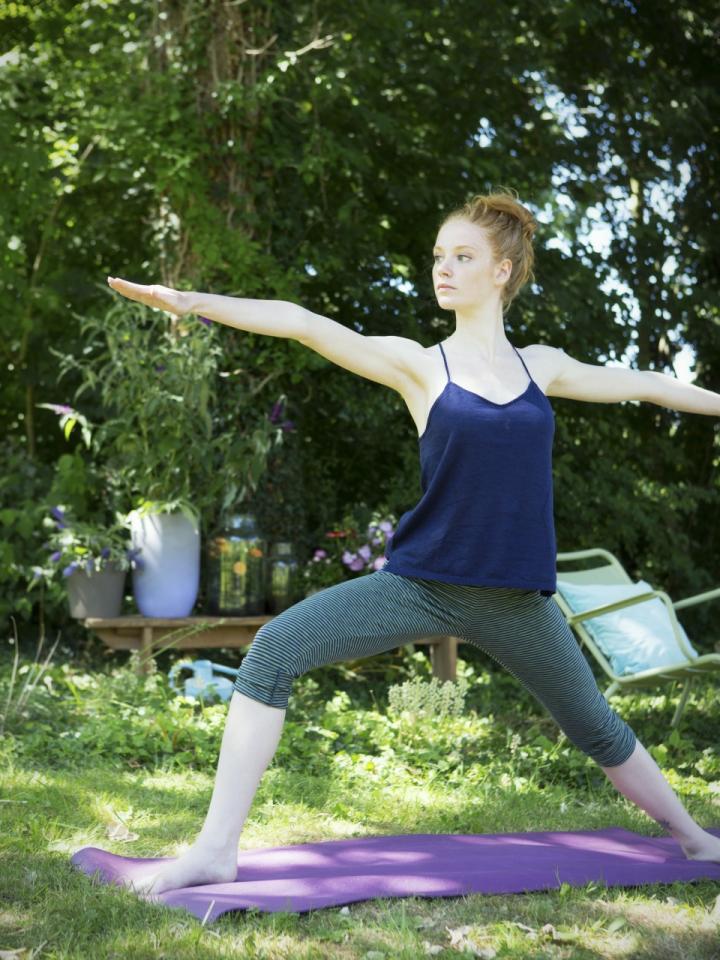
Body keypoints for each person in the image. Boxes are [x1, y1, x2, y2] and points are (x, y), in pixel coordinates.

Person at [106, 187, 720, 896]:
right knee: (273, 649)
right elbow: (305, 322)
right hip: (420, 585)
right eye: (438, 256)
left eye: (463, 256)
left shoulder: (541, 367)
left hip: (517, 601)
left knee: (596, 727)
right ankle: (214, 850)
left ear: (504, 271)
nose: (443, 268)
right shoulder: (421, 365)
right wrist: (192, 302)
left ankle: (696, 838)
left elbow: (643, 384)